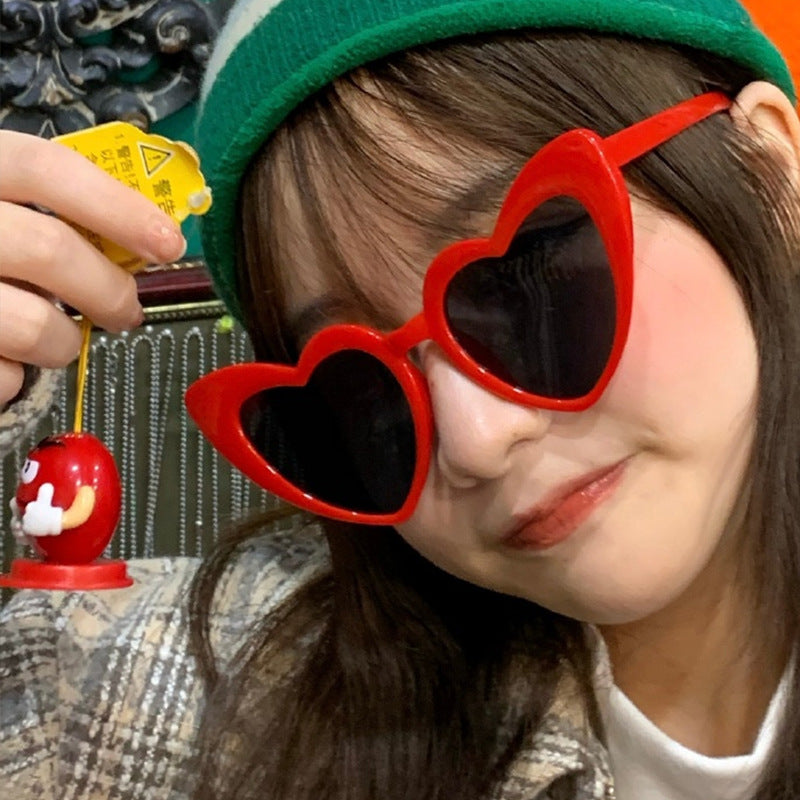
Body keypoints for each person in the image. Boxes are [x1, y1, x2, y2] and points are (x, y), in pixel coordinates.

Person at [1, 1, 799, 798]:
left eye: (530, 279)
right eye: (358, 385)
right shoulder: (153, 697)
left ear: (770, 174)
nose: (476, 439)